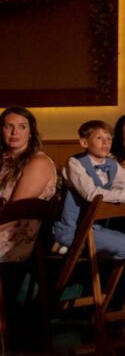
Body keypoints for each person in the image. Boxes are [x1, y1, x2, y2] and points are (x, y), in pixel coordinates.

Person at [52, 120, 125, 257]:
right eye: (99, 138)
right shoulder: (75, 163)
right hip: (73, 230)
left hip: (94, 228)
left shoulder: (111, 165)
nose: (105, 142)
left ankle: (103, 272)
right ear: (84, 143)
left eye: (109, 139)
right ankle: (65, 245)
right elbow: (92, 194)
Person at [0, 106, 57, 262]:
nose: (14, 132)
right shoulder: (5, 162)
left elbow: (15, 212)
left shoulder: (38, 162)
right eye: (8, 126)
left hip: (15, 237)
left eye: (22, 127)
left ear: (31, 132)